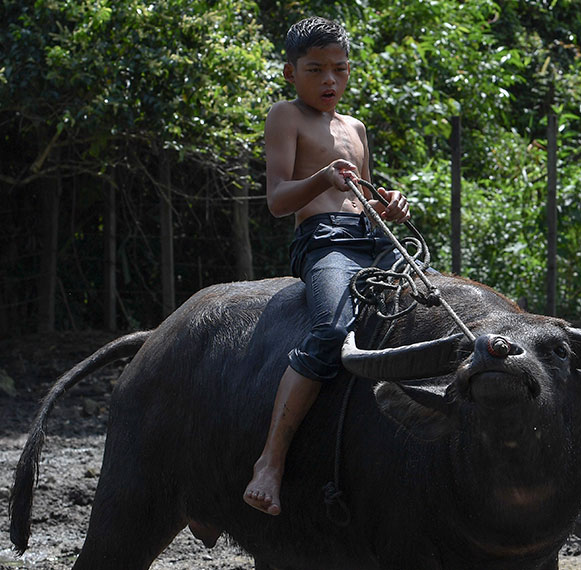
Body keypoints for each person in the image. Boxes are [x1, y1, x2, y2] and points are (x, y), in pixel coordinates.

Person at [243, 17, 411, 516]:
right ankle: (270, 461)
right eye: (315, 70)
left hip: (372, 239)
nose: (329, 81)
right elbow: (277, 201)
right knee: (332, 327)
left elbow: (362, 199)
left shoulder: (355, 127)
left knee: (432, 312)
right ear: (292, 73)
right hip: (323, 242)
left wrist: (389, 206)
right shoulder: (285, 116)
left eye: (338, 69)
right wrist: (320, 179)